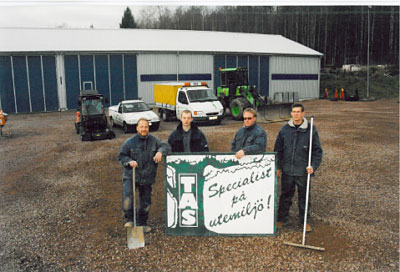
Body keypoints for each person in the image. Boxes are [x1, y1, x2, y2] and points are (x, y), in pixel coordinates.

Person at [274, 103, 323, 232]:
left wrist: (313, 166)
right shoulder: (284, 129)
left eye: (298, 112)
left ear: (303, 113)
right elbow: (278, 149)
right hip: (287, 170)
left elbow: (317, 151)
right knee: (285, 195)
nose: (296, 114)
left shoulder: (311, 129)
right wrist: (278, 167)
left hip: (303, 171)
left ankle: (304, 221)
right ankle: (281, 219)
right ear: (291, 113)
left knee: (304, 197)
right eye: (293, 111)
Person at [117, 118, 170, 232]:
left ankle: (142, 223)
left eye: (146, 127)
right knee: (128, 199)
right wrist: (129, 161)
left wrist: (160, 152)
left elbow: (166, 146)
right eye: (141, 127)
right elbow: (121, 156)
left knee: (145, 202)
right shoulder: (129, 142)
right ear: (137, 128)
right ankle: (130, 220)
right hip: (131, 176)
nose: (143, 129)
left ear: (148, 128)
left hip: (147, 177)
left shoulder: (154, 141)